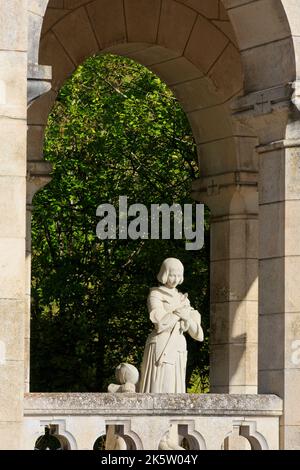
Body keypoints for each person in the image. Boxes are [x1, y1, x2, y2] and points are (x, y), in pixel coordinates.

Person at [139, 258, 203, 393]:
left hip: (178, 345)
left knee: (176, 388)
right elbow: (159, 322)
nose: (175, 279)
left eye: (179, 275)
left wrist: (187, 318)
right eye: (173, 275)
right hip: (161, 344)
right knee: (160, 386)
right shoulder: (155, 294)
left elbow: (198, 334)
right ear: (165, 273)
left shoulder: (183, 298)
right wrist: (178, 313)